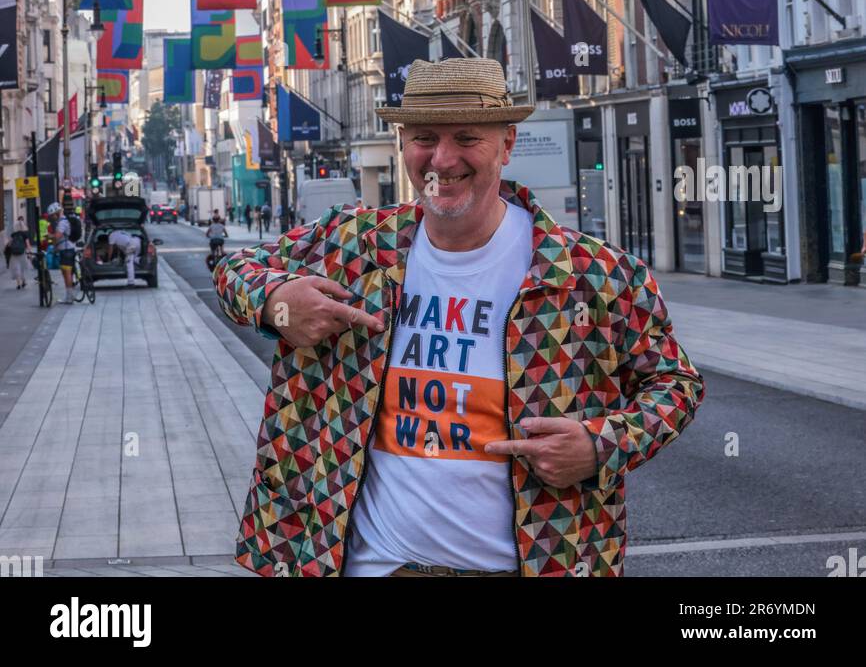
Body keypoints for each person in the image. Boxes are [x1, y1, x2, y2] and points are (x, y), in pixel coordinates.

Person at [214, 58, 704, 579]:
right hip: (372, 567)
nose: (441, 159)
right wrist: (279, 302)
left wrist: (601, 446)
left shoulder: (590, 273)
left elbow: (676, 384)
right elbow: (233, 271)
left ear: (507, 144)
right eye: (424, 137)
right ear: (403, 142)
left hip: (537, 564)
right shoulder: (353, 245)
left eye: (466, 137)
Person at [49, 201, 77, 303]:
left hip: (67, 251)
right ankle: (68, 295)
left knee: (67, 273)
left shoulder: (62, 222)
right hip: (65, 250)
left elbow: (57, 236)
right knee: (65, 273)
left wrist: (50, 236)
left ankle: (70, 297)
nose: (52, 217)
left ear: (57, 212)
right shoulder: (62, 221)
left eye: (53, 215)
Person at [8, 216, 32, 289]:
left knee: (16, 268)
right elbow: (28, 245)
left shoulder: (13, 235)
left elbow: (9, 244)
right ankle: (24, 281)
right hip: (22, 253)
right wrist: (30, 253)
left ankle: (18, 284)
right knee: (22, 268)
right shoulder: (24, 235)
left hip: (14, 254)